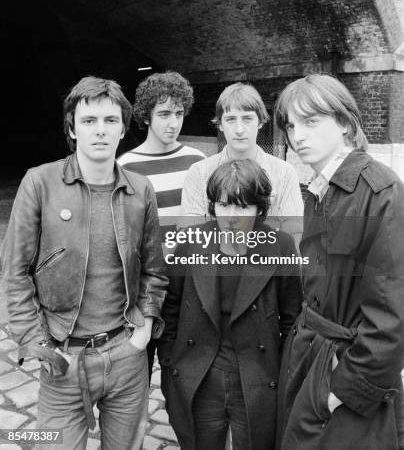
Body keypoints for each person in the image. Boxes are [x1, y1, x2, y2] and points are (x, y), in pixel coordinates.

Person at [1, 76, 167, 450]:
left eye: (110, 121)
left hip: (126, 355)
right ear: (72, 128)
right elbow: (14, 273)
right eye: (89, 121)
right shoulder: (39, 183)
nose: (100, 131)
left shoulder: (140, 190)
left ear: (124, 128)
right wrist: (39, 344)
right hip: (64, 359)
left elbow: (155, 271)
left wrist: (143, 332)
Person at [274, 73, 404, 450]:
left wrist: (341, 391)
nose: (297, 136)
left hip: (339, 371)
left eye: (311, 122)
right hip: (311, 357)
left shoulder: (381, 192)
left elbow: (391, 315)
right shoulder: (321, 187)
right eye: (291, 125)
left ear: (345, 123)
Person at [158, 158, 302, 450]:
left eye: (242, 206)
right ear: (212, 207)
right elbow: (170, 307)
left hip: (256, 374)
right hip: (200, 373)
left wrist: (285, 374)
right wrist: (170, 362)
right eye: (224, 205)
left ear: (259, 209)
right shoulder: (191, 243)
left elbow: (292, 319)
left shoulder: (281, 246)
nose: (232, 216)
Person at [118, 71, 205, 378]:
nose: (173, 122)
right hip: (145, 290)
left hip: (188, 288)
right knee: (134, 375)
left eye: (179, 113)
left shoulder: (197, 160)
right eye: (164, 114)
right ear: (146, 116)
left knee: (185, 377)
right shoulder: (125, 167)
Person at [180, 82, 303, 232]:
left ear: (260, 122)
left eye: (247, 119)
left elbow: (294, 233)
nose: (239, 129)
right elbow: (191, 234)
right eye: (231, 119)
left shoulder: (284, 173)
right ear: (220, 124)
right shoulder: (199, 172)